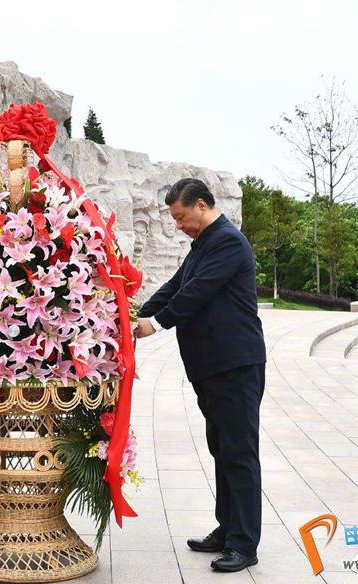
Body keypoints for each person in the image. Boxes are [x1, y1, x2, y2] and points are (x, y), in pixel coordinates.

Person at [134, 177, 266, 573]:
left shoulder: (227, 242)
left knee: (239, 453)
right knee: (222, 450)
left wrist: (156, 324)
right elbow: (176, 286)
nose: (178, 225)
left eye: (181, 217)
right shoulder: (204, 245)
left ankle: (244, 543)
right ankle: (227, 530)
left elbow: (197, 293)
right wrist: (136, 315)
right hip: (212, 368)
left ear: (202, 205)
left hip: (235, 365)